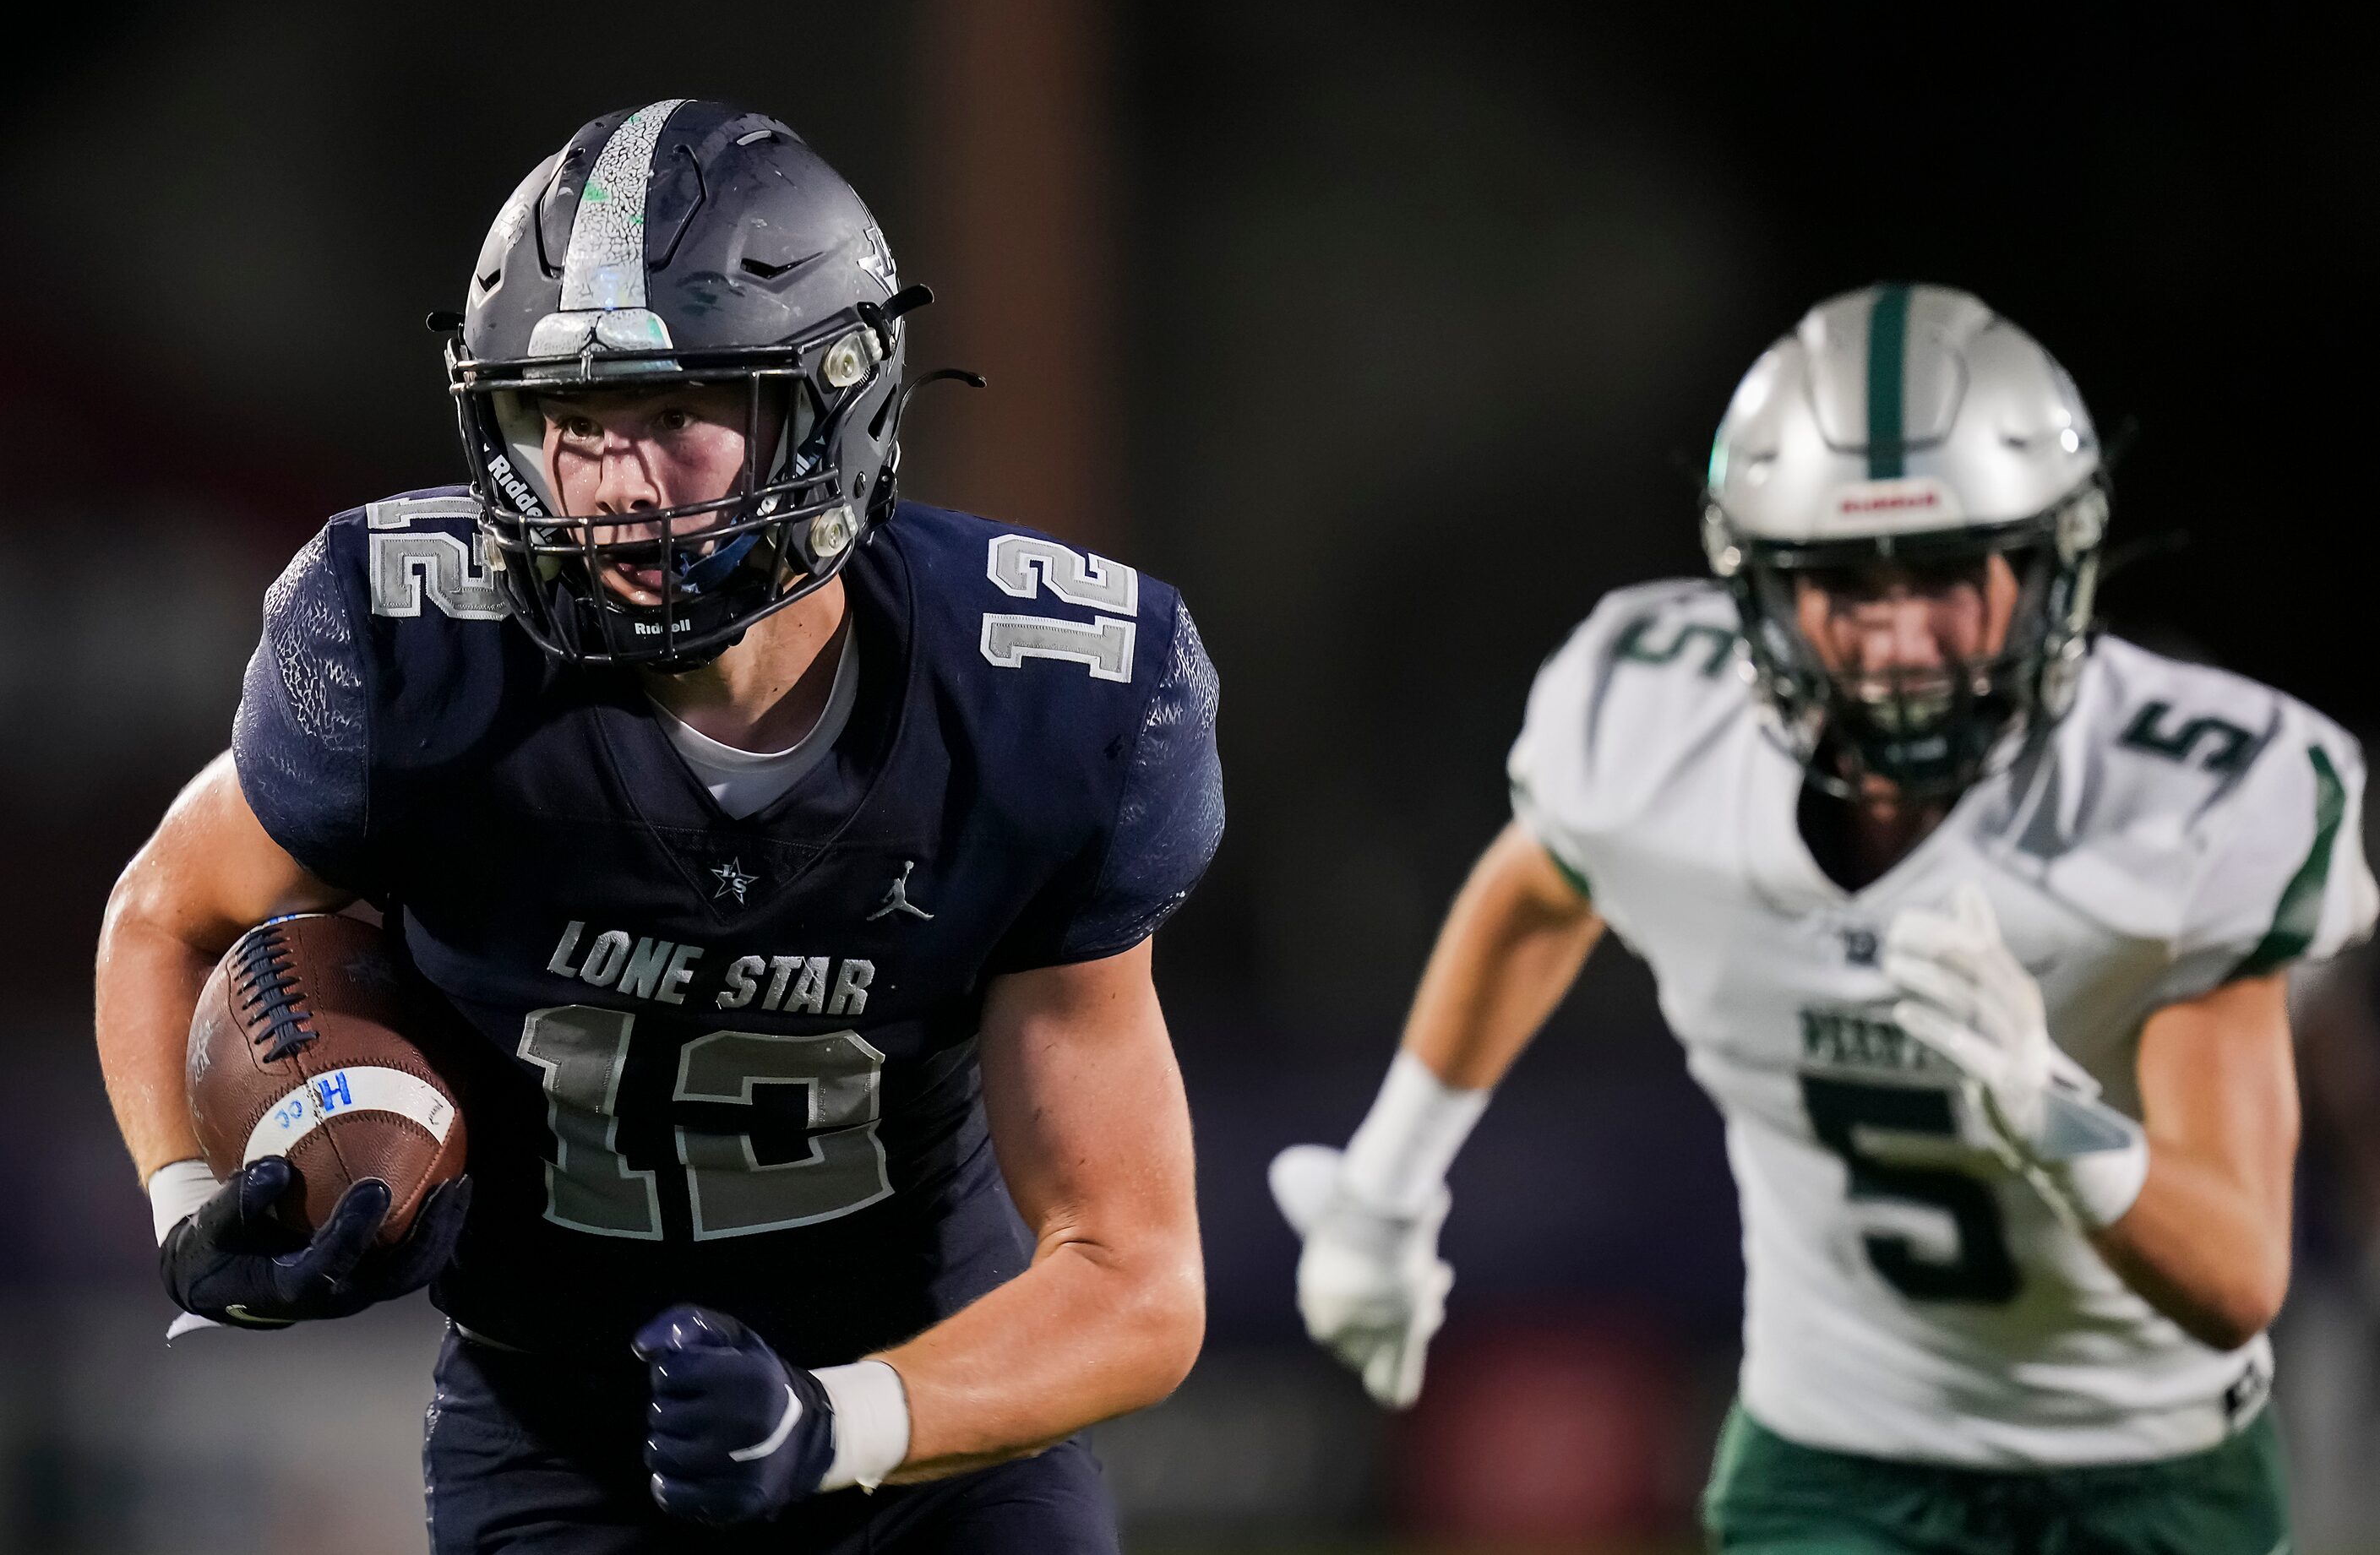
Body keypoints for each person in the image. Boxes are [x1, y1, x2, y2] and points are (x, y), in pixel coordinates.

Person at [95, 99, 1222, 1554]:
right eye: (568, 421)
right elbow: (165, 915)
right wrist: (191, 1206)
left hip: (929, 1427)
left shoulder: (1041, 703)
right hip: (560, 1439)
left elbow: (1135, 1278)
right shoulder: (410, 652)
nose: (613, 486)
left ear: (836, 397)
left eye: (674, 416)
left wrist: (835, 1423)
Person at [1273, 284, 2377, 1552]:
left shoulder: (2178, 798)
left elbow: (2234, 1275)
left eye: (1952, 575)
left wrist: (2052, 1116)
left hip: (2142, 1468)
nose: (1902, 637)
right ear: (1758, 590)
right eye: (1847, 582)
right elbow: (1532, 893)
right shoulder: (1654, 729)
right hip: (1831, 1457)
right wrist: (1387, 1189)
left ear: (2049, 566)